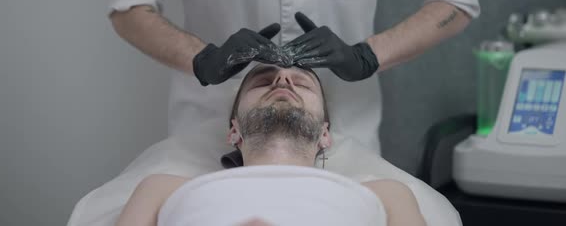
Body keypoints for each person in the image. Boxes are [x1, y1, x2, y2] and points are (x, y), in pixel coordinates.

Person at [108, 0, 480, 162]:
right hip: (209, 130)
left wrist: (367, 56)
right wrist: (202, 59)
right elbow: (128, 3)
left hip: (344, 137)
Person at [114, 64, 427, 226]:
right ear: (233, 131)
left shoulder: (387, 193)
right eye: (263, 82)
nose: (283, 81)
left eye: (301, 83)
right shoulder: (161, 188)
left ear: (325, 136)